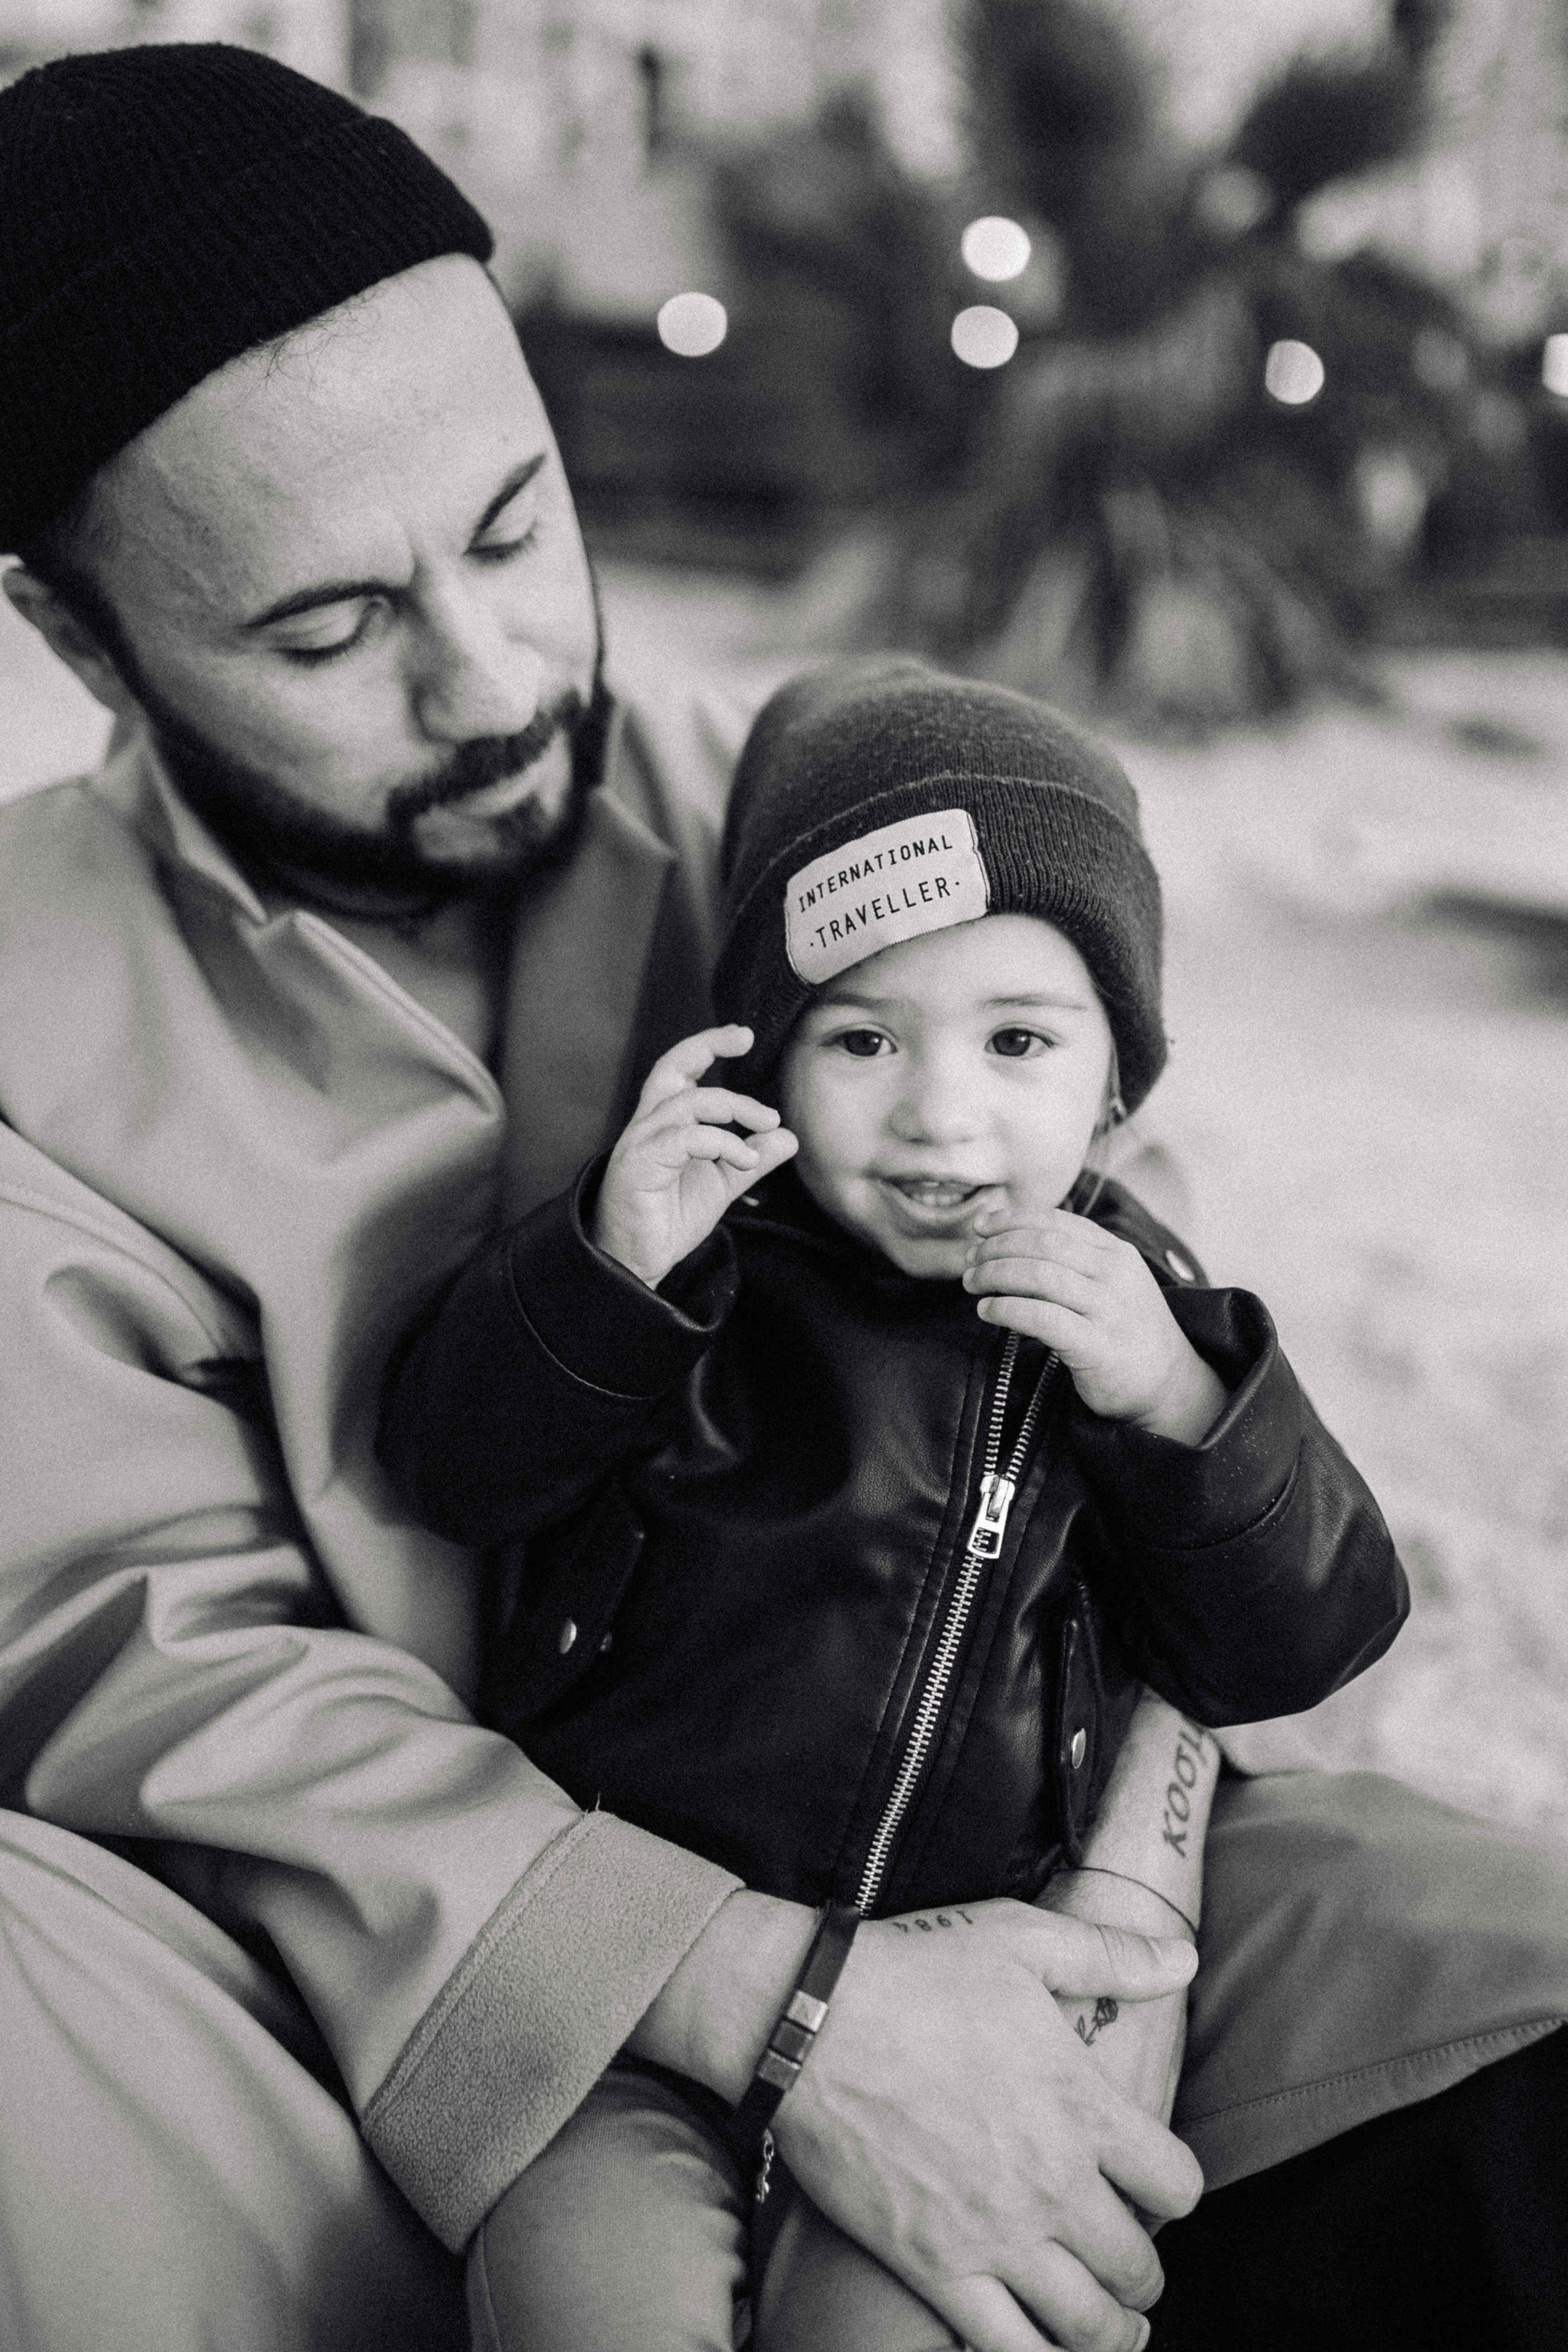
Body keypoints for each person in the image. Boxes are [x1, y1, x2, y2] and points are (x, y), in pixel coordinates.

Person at [0, 38, 1564, 2352]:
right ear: (77, 640)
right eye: (327, 635)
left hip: (1011, 1851)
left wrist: (1121, 1922)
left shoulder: (826, 820)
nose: (492, 674)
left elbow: (1138, 1319)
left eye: (519, 529)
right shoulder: (29, 1034)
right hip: (374, 2011)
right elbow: (165, 1685)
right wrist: (796, 2013)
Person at [376, 657, 1409, 2347]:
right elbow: (456, 1471)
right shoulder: (701, 1263)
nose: (942, 1113)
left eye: (1018, 1041)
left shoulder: (1140, 1315)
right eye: (862, 1036)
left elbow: (1303, 1635)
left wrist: (1178, 1402)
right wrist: (608, 1277)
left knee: (927, 2318)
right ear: (769, 1058)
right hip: (651, 1974)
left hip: (979, 1989)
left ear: (1119, 1088)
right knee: (586, 2300)